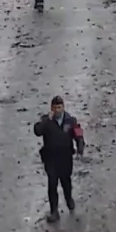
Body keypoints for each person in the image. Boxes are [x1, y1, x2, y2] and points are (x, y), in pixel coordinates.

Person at [33, 95, 85, 223]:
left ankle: (68, 199)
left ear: (63, 107)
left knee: (66, 182)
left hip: (65, 158)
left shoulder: (70, 120)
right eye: (55, 107)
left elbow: (78, 134)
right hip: (51, 159)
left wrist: (80, 146)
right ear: (51, 108)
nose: (57, 110)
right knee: (52, 184)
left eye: (59, 107)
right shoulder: (46, 120)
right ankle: (54, 211)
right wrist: (47, 120)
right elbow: (37, 131)